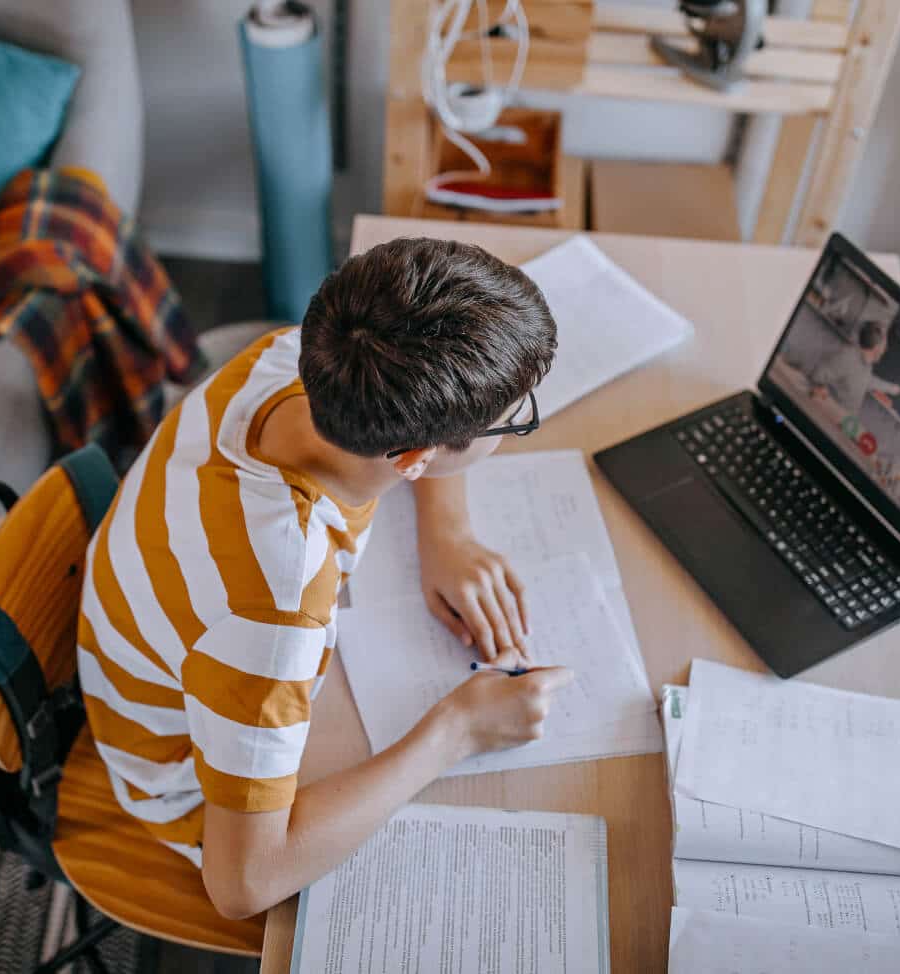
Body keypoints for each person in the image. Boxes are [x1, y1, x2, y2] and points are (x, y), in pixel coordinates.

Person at [74, 236, 573, 920]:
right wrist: (458, 730)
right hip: (186, 786)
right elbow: (242, 885)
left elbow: (421, 442)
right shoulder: (272, 615)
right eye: (513, 423)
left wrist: (446, 533)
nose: (517, 426)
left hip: (185, 653)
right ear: (416, 458)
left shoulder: (299, 358)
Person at [808, 320, 900, 411]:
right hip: (829, 414)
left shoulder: (866, 366)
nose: (885, 349)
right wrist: (822, 393)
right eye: (884, 345)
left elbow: (868, 380)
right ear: (877, 348)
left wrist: (891, 388)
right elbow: (817, 375)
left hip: (844, 420)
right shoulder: (847, 356)